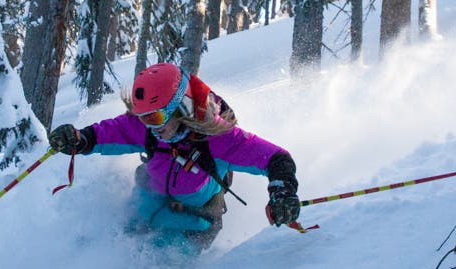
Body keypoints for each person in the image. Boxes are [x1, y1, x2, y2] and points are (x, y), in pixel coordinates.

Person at [47, 63, 300, 250]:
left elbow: (277, 158)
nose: (151, 127)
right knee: (121, 238)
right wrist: (81, 140)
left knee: (163, 256)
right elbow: (111, 132)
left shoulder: (219, 139)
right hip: (150, 197)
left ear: (181, 108)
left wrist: (282, 193)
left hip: (195, 218)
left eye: (155, 117)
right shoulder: (148, 128)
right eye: (143, 117)